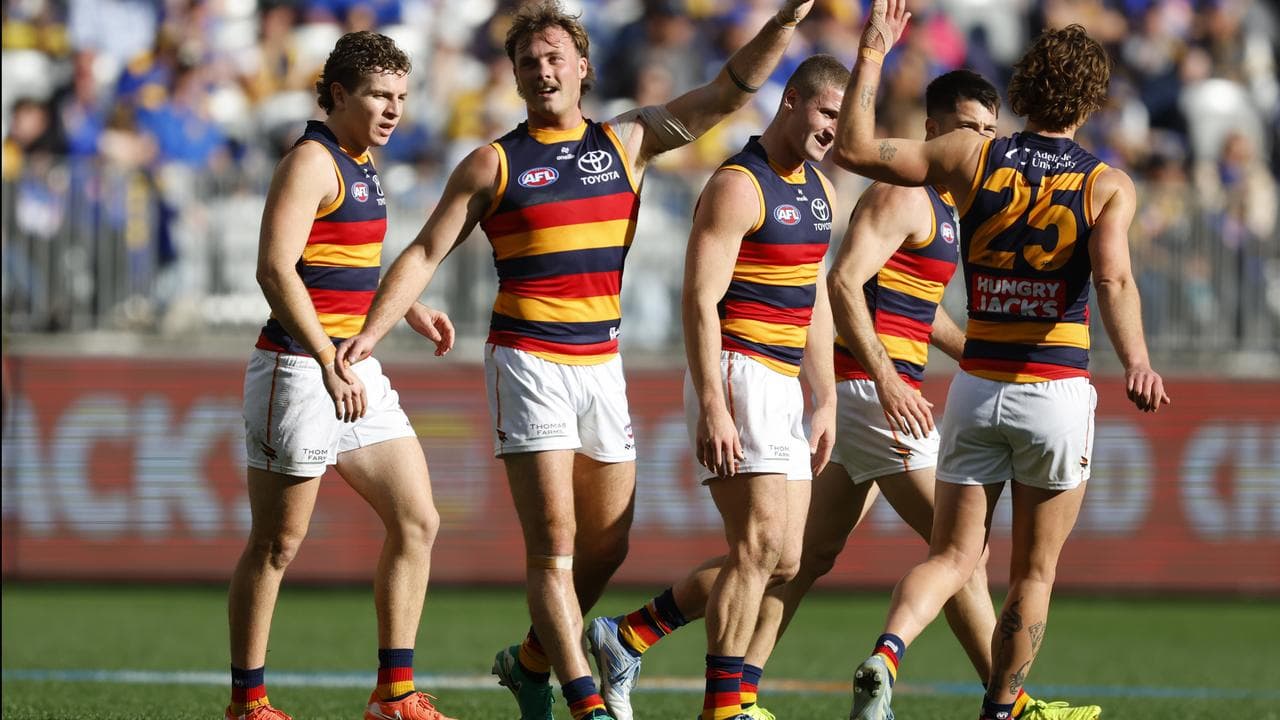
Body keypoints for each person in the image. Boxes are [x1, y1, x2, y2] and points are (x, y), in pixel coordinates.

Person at [336, 2, 819, 719]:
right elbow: (425, 251)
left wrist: (783, 24)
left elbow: (728, 93)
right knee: (555, 550)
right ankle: (586, 701)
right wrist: (372, 332)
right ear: (516, 76)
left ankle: (530, 661)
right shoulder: (492, 161)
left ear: (584, 67)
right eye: (529, 62)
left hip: (602, 363)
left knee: (609, 546)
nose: (543, 70)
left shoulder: (628, 140)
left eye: (556, 57)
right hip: (529, 362)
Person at [833, 4, 1171, 720]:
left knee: (954, 557)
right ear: (1091, 101)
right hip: (1053, 390)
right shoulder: (1106, 183)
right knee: (1032, 571)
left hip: (976, 388)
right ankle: (1000, 709)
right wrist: (1137, 359)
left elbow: (856, 148)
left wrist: (872, 53)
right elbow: (1111, 279)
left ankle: (887, 652)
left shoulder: (968, 153)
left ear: (1021, 89)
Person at [798, 69, 1099, 720]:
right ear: (932, 130)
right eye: (969, 129)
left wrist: (987, 351)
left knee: (797, 558)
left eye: (991, 132)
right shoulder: (901, 196)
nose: (982, 143)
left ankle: (647, 638)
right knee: (963, 552)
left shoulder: (949, 204)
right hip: (875, 394)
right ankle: (998, 699)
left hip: (880, 392)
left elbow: (916, 309)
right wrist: (884, 381)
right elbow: (842, 284)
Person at [586, 53, 847, 720]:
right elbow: (700, 301)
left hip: (785, 383)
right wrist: (713, 404)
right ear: (791, 103)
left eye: (843, 121)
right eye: (826, 113)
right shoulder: (739, 184)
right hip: (740, 371)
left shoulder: (821, 191)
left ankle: (630, 634)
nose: (833, 131)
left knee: (784, 560)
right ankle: (724, 709)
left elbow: (814, 295)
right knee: (757, 549)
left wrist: (827, 395)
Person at [228, 31, 457, 720]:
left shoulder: (361, 160)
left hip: (351, 365)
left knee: (418, 519)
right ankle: (249, 703)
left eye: (401, 98)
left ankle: (393, 696)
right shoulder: (311, 161)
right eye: (380, 97)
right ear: (337, 95)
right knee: (277, 544)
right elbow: (275, 268)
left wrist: (407, 304)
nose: (393, 111)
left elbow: (347, 254)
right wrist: (328, 358)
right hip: (300, 370)